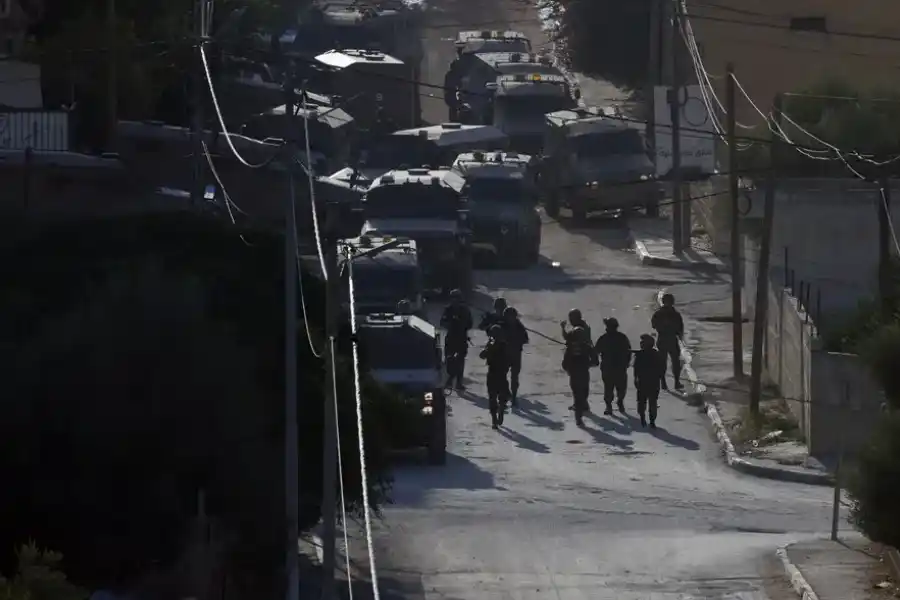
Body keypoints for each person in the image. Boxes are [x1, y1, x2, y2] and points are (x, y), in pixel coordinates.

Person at [595, 317, 632, 415]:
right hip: (613, 367)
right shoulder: (619, 337)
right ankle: (611, 405)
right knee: (613, 388)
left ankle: (616, 403)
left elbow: (596, 351)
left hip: (614, 367)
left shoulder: (607, 338)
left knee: (613, 388)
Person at [561, 325, 595, 426]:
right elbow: (595, 361)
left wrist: (569, 369)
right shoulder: (586, 347)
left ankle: (579, 415)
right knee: (581, 394)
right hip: (582, 373)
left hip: (576, 374)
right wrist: (588, 364)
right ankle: (579, 416)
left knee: (579, 395)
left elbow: (564, 363)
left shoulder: (572, 348)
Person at [651, 293, 685, 390]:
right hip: (671, 339)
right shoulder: (675, 314)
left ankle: (664, 382)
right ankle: (676, 382)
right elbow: (680, 328)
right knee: (675, 362)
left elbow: (654, 325)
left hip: (662, 339)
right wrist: (679, 336)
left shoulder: (658, 313)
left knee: (663, 362)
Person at [440, 289, 473, 390]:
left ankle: (458, 382)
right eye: (453, 298)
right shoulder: (448, 310)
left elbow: (470, 323)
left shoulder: (465, 310)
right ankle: (449, 380)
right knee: (449, 360)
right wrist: (450, 323)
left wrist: (461, 324)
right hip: (451, 337)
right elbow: (442, 322)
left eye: (457, 298)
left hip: (461, 337)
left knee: (460, 361)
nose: (455, 300)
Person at [480, 324, 511, 429]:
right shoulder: (502, 345)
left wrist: (489, 348)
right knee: (498, 397)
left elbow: (482, 355)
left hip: (495, 373)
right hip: (499, 374)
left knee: (494, 397)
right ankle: (497, 415)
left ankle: (496, 417)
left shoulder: (497, 345)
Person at [633, 334, 664, 428]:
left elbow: (636, 368)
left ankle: (646, 419)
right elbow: (661, 369)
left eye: (643, 342)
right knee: (650, 402)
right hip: (651, 382)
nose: (641, 343)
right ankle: (650, 420)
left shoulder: (641, 355)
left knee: (644, 402)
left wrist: (636, 378)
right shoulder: (656, 354)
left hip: (646, 382)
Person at [502, 306, 529, 405]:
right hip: (504, 354)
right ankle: (507, 393)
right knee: (502, 375)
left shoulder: (519, 326)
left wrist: (517, 341)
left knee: (514, 377)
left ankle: (513, 396)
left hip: (515, 355)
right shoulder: (502, 325)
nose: (511, 319)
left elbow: (526, 339)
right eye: (509, 316)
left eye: (512, 316)